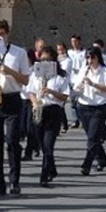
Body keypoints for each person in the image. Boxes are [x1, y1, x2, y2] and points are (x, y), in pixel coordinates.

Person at [0, 20, 31, 196]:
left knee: (12, 141)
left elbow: (25, 79)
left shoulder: (19, 53)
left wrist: (10, 71)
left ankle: (14, 181)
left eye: (1, 34)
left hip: (12, 98)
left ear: (7, 34)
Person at [29, 46, 69, 186]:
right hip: (39, 109)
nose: (44, 62)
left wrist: (51, 91)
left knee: (48, 144)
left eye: (47, 59)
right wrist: (35, 103)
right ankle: (52, 169)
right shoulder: (35, 74)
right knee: (42, 145)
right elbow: (31, 92)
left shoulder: (61, 76)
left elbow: (64, 97)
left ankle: (44, 175)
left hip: (53, 110)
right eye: (42, 59)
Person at [74, 47, 106, 175]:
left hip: (99, 107)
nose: (90, 60)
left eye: (92, 57)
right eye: (87, 57)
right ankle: (102, 159)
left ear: (98, 58)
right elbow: (75, 87)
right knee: (92, 137)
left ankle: (87, 164)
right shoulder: (83, 70)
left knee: (92, 137)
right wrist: (79, 87)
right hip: (83, 106)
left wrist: (93, 84)